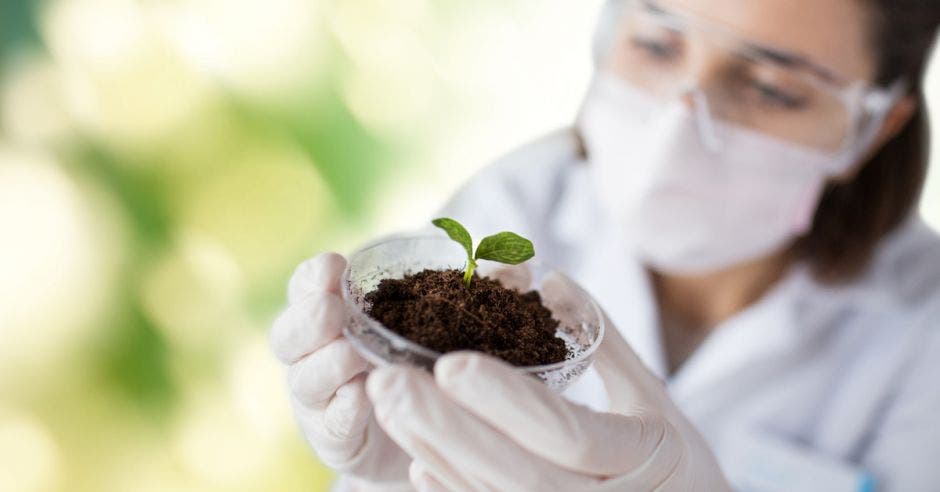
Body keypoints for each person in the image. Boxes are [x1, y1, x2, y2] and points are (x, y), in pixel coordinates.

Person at [270, 0, 940, 490]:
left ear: (875, 130)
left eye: (770, 89)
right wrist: (389, 472)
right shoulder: (521, 203)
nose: (679, 123)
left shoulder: (922, 338)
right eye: (656, 45)